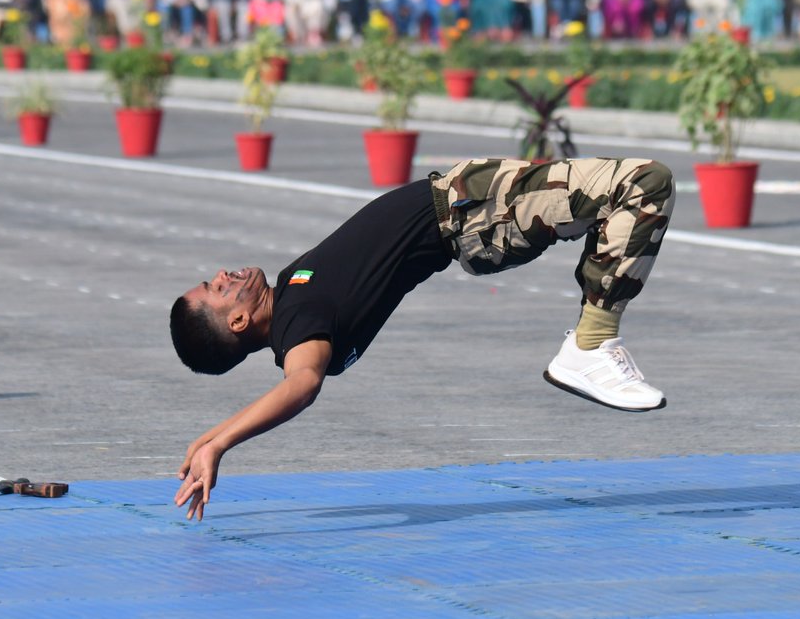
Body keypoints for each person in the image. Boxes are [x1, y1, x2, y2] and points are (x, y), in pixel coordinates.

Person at [170, 156, 676, 521]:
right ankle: (590, 345)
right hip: (473, 213)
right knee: (644, 183)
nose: (222, 274)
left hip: (470, 200)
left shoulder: (290, 296)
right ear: (238, 323)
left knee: (620, 197)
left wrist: (212, 438)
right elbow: (302, 384)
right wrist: (224, 444)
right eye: (217, 290)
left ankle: (593, 335)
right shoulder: (299, 325)